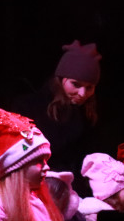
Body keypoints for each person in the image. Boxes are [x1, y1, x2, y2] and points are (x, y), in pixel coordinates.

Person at [9, 41, 108, 184]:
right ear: (61, 80)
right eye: (76, 84)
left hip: (74, 188)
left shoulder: (88, 114)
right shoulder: (28, 106)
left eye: (89, 87)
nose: (82, 93)